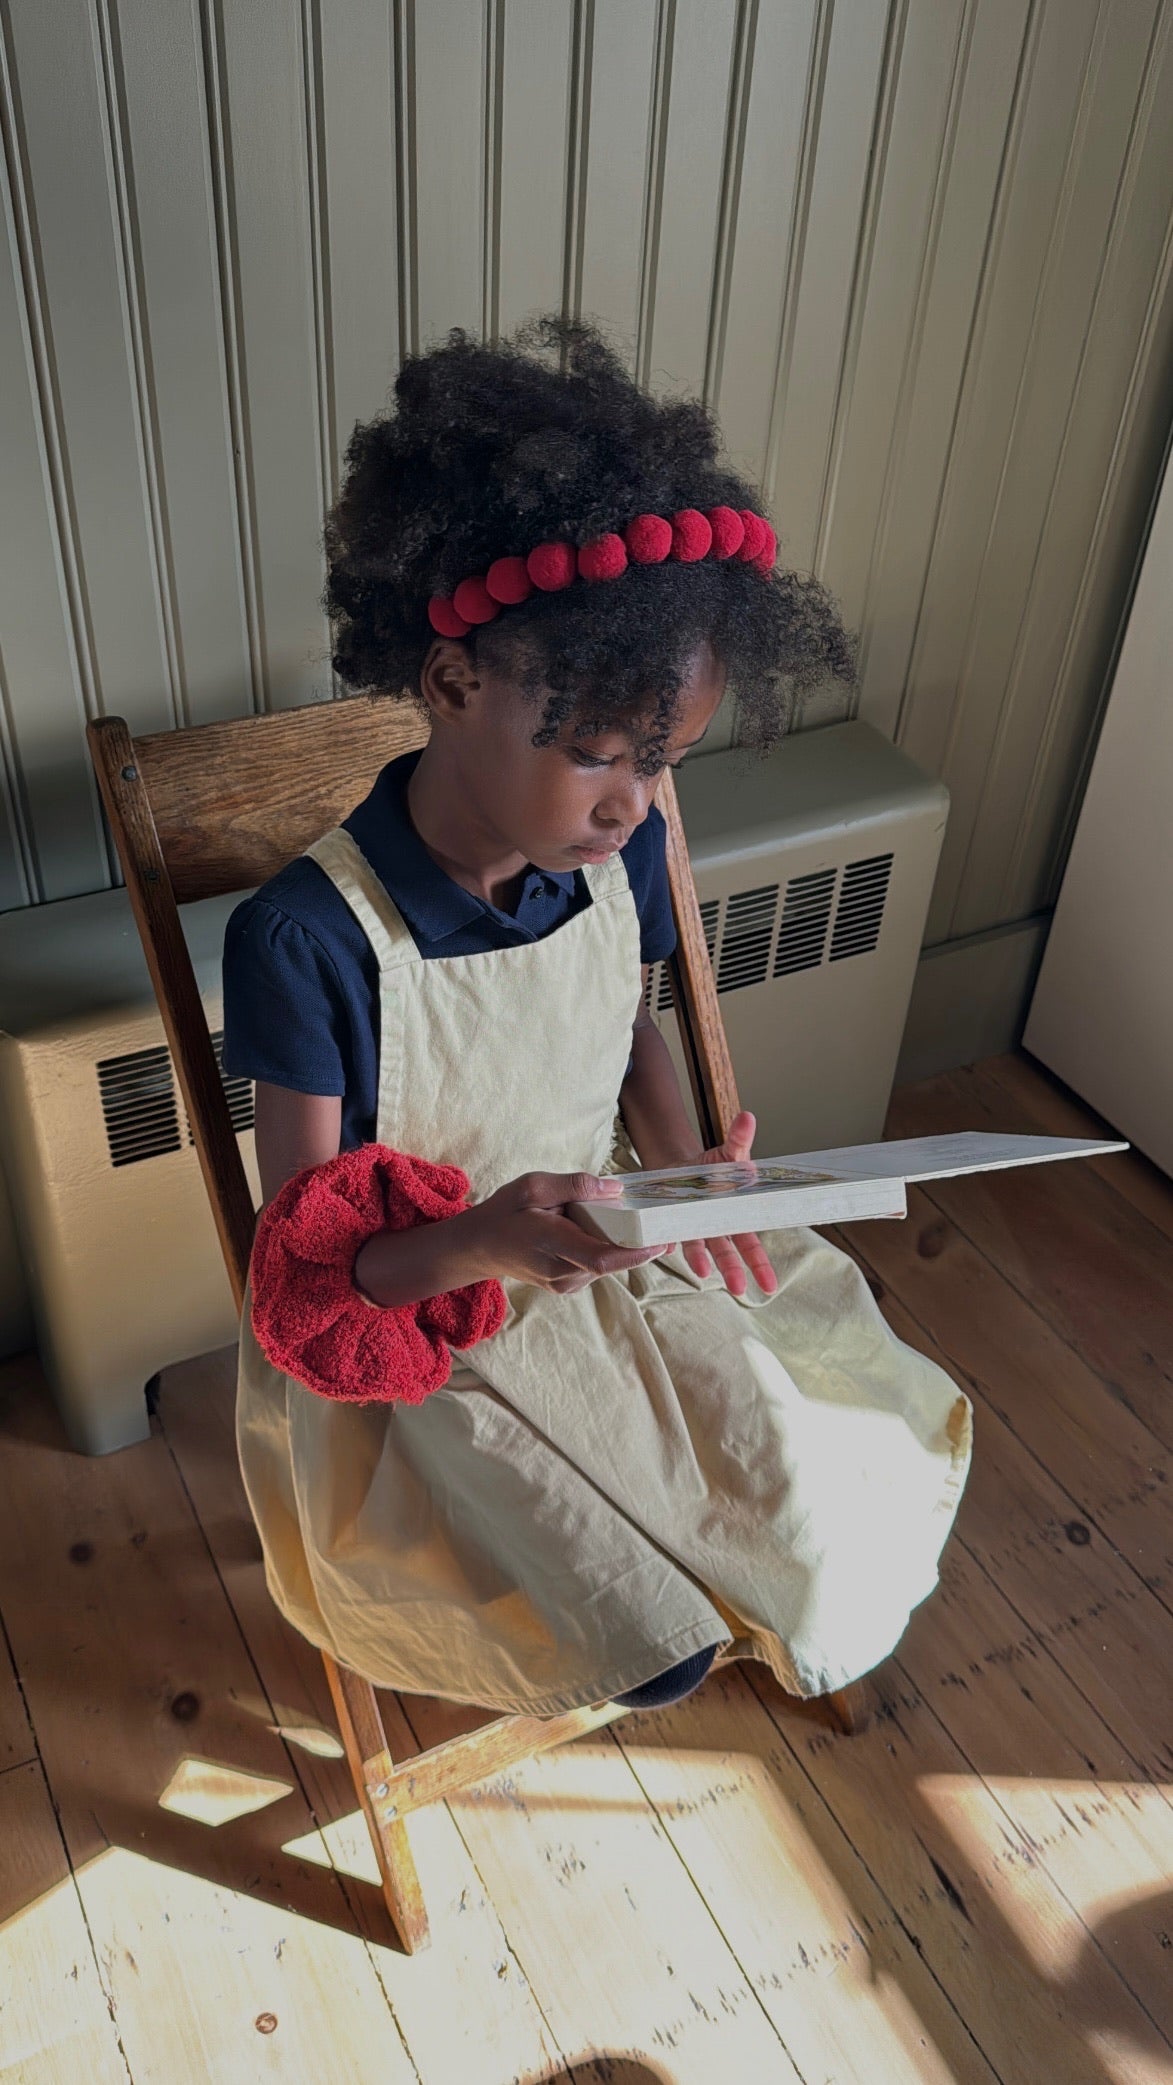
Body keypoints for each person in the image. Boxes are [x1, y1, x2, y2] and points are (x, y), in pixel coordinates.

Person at [223, 317, 971, 1720]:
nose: (637, 804)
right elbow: (319, 1285)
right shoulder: (307, 940)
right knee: (651, 1634)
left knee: (808, 1502)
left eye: (664, 762)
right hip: (429, 1338)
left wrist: (686, 1166)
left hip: (602, 1257)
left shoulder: (607, 848)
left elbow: (620, 1021)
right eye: (601, 758)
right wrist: (487, 1234)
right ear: (453, 686)